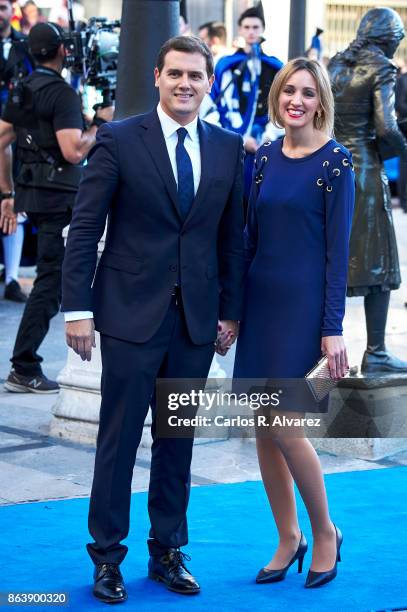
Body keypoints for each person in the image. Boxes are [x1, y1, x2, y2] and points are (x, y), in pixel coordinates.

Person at [61, 36, 244, 603]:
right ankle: (107, 559)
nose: (186, 84)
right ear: (158, 77)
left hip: (195, 321)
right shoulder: (118, 139)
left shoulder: (227, 147)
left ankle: (167, 550)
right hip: (127, 317)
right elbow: (86, 227)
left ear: (208, 83)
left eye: (196, 75)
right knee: (118, 442)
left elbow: (230, 239)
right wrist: (78, 309)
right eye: (176, 74)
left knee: (177, 442)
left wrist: (230, 313)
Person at [233, 58, 355, 588]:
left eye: (306, 92)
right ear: (277, 98)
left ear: (320, 100)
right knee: (263, 429)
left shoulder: (336, 164)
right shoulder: (261, 160)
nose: (296, 100)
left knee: (286, 425)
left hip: (303, 313)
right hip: (260, 308)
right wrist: (232, 312)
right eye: (288, 91)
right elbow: (248, 241)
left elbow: (337, 254)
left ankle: (325, 532)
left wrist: (333, 327)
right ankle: (288, 536)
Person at [0, 22, 113, 392]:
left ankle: (25, 363)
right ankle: (24, 365)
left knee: (53, 279)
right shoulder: (61, 93)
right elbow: (73, 150)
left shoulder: (24, 89)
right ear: (63, 51)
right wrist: (99, 123)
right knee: (51, 283)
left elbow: (2, 140)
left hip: (35, 194)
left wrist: (7, 192)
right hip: (58, 197)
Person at [329, 7, 407, 373]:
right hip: (364, 169)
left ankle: (324, 353)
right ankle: (375, 352)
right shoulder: (382, 68)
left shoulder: (334, 65)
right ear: (390, 38)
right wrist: (402, 150)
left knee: (332, 260)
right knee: (378, 262)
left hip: (332, 168)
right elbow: (387, 127)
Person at [210, 7, 282, 213]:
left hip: (266, 142)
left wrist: (265, 138)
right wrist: (239, 138)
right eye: (247, 27)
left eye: (256, 27)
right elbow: (214, 104)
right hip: (231, 141)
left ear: (263, 29)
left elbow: (282, 108)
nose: (251, 32)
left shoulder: (275, 67)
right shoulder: (226, 65)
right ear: (240, 30)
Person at [0, 0, 34, 302]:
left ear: (12, 10)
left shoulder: (23, 45)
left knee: (15, 204)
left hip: (14, 130)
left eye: (2, 7)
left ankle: (11, 277)